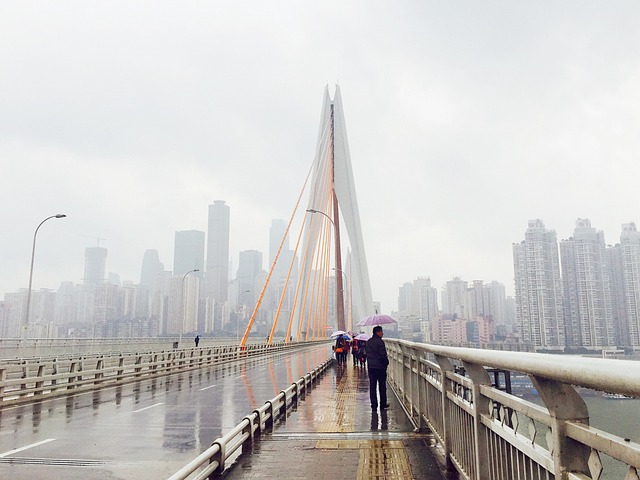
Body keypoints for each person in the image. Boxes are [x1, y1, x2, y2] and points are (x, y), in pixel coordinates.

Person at [366, 326, 389, 410]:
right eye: (381, 331)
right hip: (380, 368)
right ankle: (383, 404)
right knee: (382, 386)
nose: (382, 333)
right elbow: (383, 355)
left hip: (371, 367)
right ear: (377, 332)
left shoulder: (368, 342)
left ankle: (374, 405)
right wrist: (386, 363)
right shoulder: (380, 342)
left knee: (372, 386)